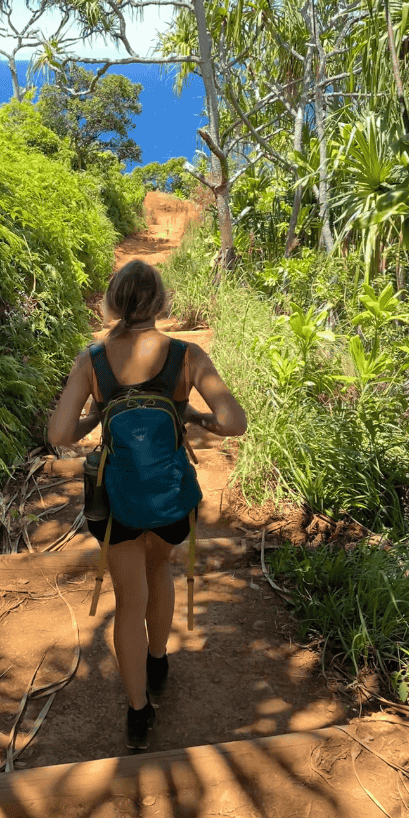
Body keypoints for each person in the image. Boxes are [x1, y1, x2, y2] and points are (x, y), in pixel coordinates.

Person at [47, 259, 247, 749]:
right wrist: (196, 418)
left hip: (118, 504)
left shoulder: (91, 360)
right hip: (171, 496)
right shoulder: (187, 355)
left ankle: (138, 711)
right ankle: (159, 659)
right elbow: (234, 422)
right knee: (160, 575)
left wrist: (100, 412)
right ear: (161, 303)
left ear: (113, 303)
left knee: (128, 599)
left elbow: (59, 435)